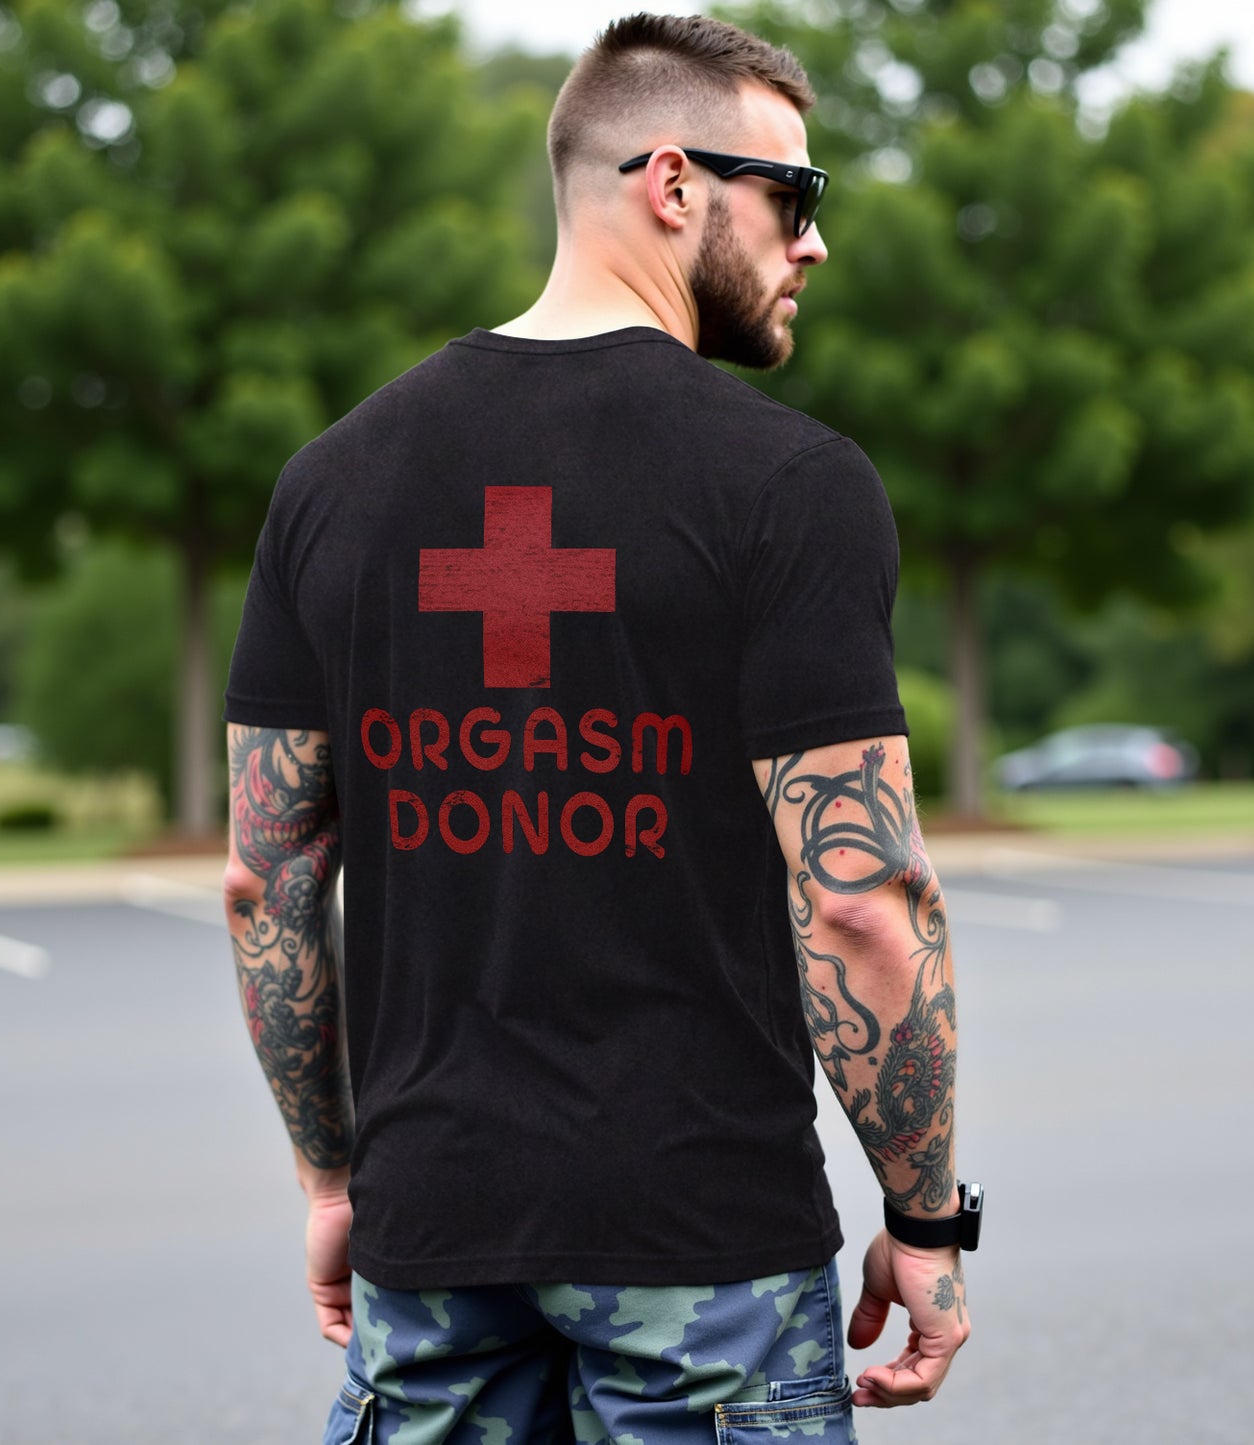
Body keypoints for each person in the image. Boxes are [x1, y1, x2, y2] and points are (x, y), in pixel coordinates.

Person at [222, 12, 972, 1442]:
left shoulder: (331, 483)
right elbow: (862, 897)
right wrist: (927, 1219)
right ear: (673, 183)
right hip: (707, 1253)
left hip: (431, 1240)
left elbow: (268, 879)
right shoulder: (789, 485)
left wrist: (332, 1178)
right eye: (794, 195)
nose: (814, 243)